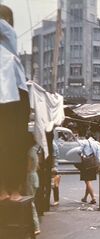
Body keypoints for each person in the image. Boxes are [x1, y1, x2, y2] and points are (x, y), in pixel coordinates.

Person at [0, 5, 31, 201]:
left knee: (15, 143)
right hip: (7, 96)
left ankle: (13, 189)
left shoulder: (9, 37)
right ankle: (4, 189)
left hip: (15, 94)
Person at [79, 132, 100, 204]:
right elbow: (98, 156)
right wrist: (98, 165)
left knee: (87, 181)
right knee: (89, 181)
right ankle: (85, 197)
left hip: (86, 163)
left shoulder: (85, 142)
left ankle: (93, 198)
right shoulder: (96, 143)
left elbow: (79, 151)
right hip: (93, 163)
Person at [26, 133, 40, 235]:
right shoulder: (34, 151)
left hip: (30, 177)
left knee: (30, 202)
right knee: (32, 201)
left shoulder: (29, 153)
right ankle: (33, 224)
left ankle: (36, 226)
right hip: (35, 176)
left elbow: (28, 167)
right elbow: (37, 166)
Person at [51, 140, 60, 206]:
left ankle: (56, 200)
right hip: (53, 166)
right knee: (54, 184)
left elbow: (53, 157)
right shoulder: (53, 144)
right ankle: (56, 200)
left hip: (53, 166)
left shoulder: (53, 145)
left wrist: (53, 167)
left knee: (55, 184)